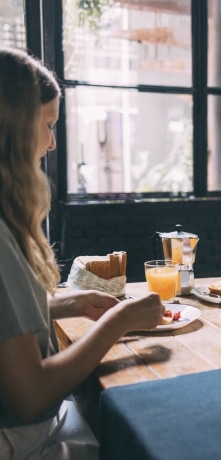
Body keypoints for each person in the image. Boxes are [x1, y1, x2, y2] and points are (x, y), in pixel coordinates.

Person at [0, 47, 163, 458]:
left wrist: (70, 303)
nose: (53, 143)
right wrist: (119, 322)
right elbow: (31, 396)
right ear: (16, 128)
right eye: (48, 125)